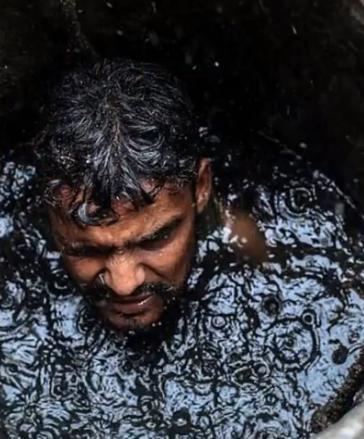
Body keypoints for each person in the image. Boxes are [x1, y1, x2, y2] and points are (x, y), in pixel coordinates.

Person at [33, 58, 267, 332]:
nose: (124, 284)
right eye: (86, 250)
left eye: (155, 239)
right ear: (48, 214)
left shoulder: (240, 242)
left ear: (201, 187)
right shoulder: (18, 247)